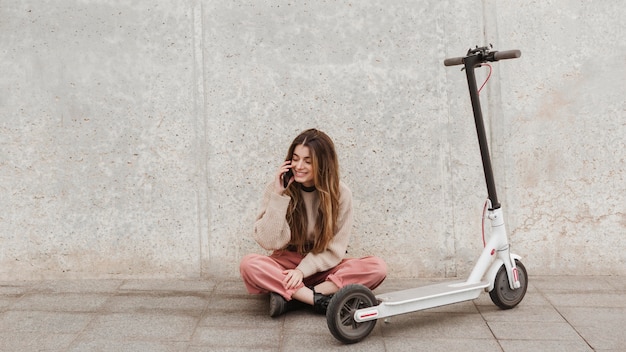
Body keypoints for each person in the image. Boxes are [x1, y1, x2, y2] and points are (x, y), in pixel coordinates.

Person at [240, 128, 387, 317]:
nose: (299, 166)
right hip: (286, 264)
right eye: (295, 158)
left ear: (323, 163)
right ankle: (318, 300)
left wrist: (302, 271)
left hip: (323, 265)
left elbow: (334, 249)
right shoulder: (278, 188)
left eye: (307, 161)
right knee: (249, 264)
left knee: (377, 267)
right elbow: (267, 241)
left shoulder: (341, 194)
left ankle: (294, 298)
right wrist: (278, 195)